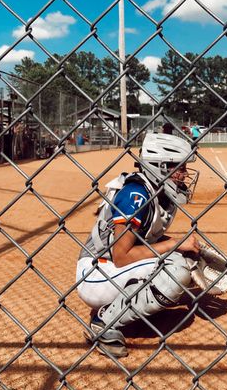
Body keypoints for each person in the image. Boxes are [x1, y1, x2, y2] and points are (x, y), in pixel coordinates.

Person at [76, 132, 200, 357]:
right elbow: (122, 256)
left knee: (183, 258)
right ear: (160, 167)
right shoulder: (137, 193)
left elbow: (146, 242)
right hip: (97, 273)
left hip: (111, 267)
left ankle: (130, 306)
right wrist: (175, 244)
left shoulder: (157, 192)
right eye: (179, 168)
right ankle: (103, 322)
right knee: (176, 270)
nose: (185, 174)